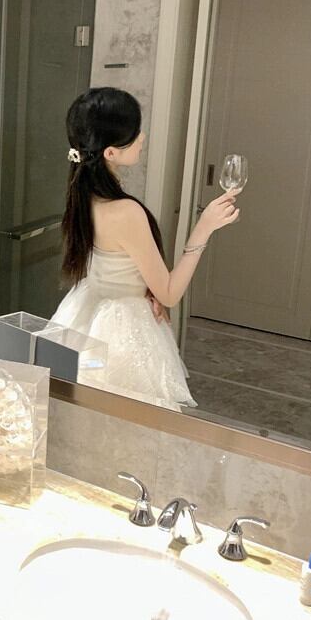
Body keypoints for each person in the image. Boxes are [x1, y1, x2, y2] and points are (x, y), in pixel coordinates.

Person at [51, 87, 240, 411]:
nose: (142, 137)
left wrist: (142, 287)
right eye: (134, 133)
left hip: (88, 310)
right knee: (127, 420)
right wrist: (204, 227)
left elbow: (114, 264)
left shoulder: (83, 193)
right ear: (111, 152)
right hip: (121, 331)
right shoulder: (125, 211)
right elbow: (170, 293)